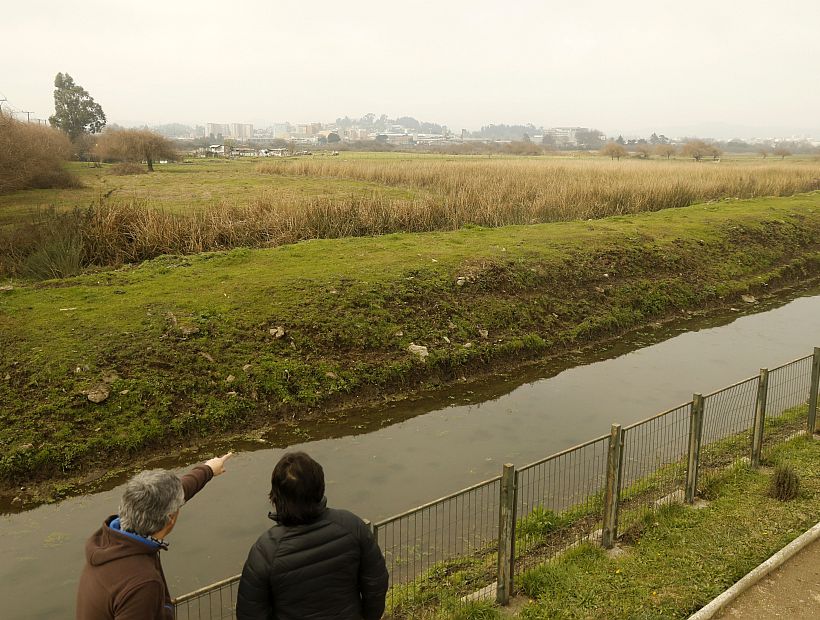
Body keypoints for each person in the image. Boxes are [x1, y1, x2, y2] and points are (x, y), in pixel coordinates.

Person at [76, 452, 233, 619]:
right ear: (170, 518)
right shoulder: (142, 584)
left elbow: (170, 496)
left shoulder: (111, 539)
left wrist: (208, 469)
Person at [237, 451, 389, 620]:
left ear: (276, 496)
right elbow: (376, 585)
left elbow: (250, 614)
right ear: (320, 487)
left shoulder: (265, 551)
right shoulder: (352, 526)